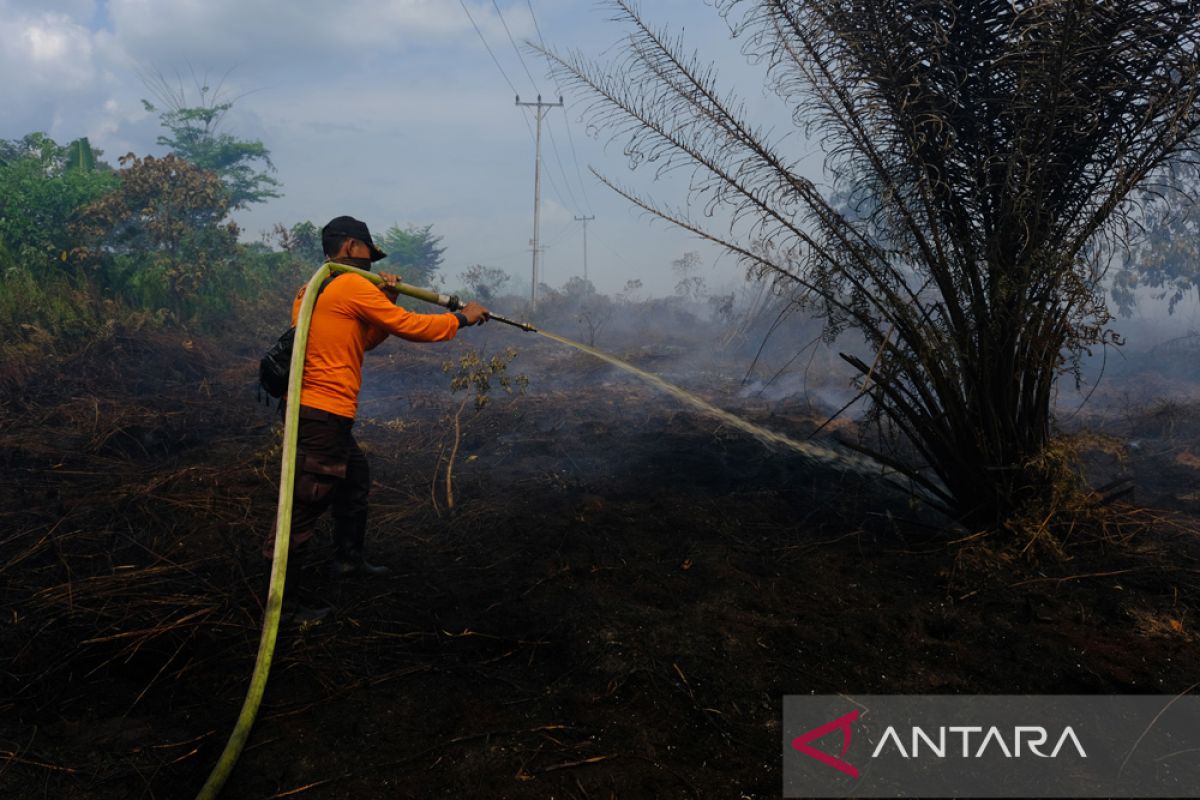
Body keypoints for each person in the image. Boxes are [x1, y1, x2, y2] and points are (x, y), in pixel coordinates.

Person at [267, 215, 489, 622]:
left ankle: (348, 561)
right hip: (323, 411)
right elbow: (412, 327)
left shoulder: (313, 289)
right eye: (369, 252)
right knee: (305, 503)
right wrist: (462, 318)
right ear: (351, 247)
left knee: (354, 480)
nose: (372, 262)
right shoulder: (349, 283)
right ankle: (281, 603)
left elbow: (363, 340)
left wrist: (387, 301)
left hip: (314, 410)